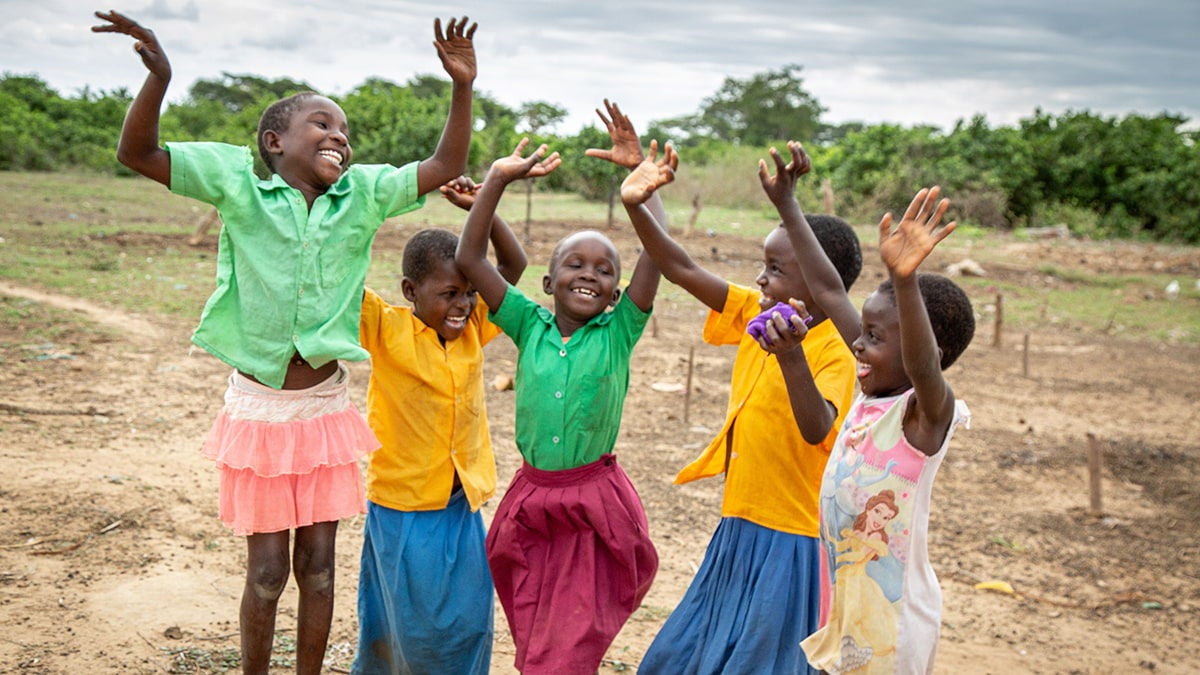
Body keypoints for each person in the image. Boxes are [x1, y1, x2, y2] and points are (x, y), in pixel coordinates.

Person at [92, 10, 478, 674]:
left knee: (320, 568)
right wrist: (160, 79)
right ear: (274, 141)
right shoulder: (238, 180)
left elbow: (446, 162)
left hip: (323, 410)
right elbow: (137, 154)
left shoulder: (362, 194)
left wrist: (462, 86)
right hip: (261, 410)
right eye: (321, 125)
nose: (338, 136)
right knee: (268, 571)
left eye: (344, 130)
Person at [455, 107, 675, 674]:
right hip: (532, 500)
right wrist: (497, 182)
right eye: (575, 265)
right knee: (534, 625)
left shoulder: (620, 330)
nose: (589, 274)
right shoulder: (527, 323)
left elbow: (660, 252)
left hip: (593, 502)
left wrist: (646, 183)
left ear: (614, 293)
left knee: (572, 638)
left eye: (603, 271)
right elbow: (470, 259)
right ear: (548, 282)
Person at [633, 140, 862, 674]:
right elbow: (678, 265)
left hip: (792, 544)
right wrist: (636, 199)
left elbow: (817, 428)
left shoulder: (841, 355)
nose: (761, 280)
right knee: (675, 661)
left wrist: (790, 356)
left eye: (776, 268)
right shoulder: (756, 315)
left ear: (819, 281)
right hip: (738, 527)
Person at [760, 143, 975, 673]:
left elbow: (924, 367)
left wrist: (904, 279)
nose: (858, 344)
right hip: (849, 599)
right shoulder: (874, 390)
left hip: (895, 619)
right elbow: (830, 290)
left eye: (874, 336)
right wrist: (788, 204)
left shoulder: (924, 416)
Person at [351, 166, 546, 674]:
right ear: (410, 290)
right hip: (403, 504)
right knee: (406, 624)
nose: (462, 304)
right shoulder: (383, 326)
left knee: (468, 619)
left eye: (469, 293)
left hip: (463, 500)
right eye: (449, 293)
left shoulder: (474, 325)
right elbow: (338, 277)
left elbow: (513, 262)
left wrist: (480, 208)